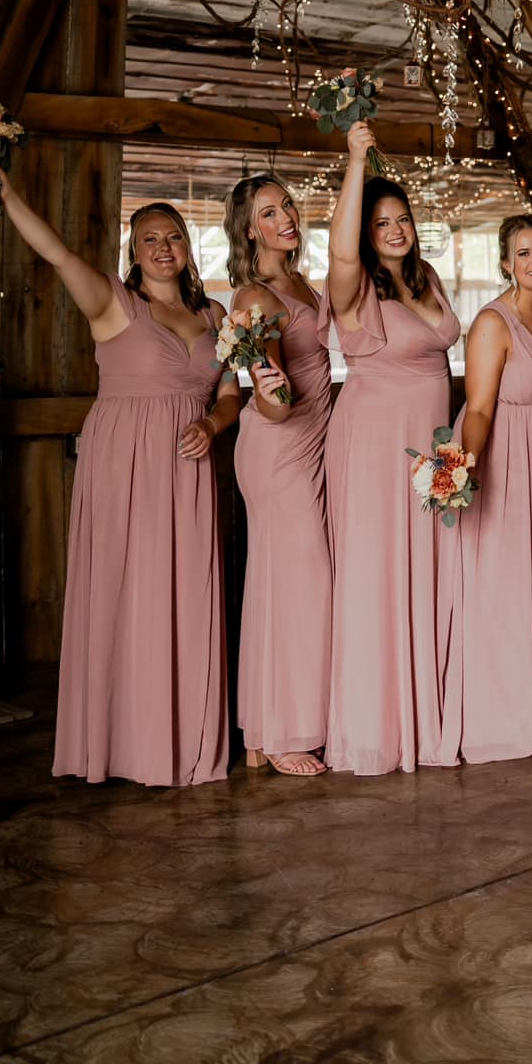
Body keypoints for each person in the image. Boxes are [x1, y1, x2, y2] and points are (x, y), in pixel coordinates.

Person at [0, 170, 237, 786]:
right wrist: (8, 193)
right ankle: (122, 740)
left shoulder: (216, 312)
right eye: (149, 239)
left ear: (187, 247)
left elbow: (230, 392)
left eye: (172, 236)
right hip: (125, 460)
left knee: (185, 591)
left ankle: (182, 737)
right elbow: (56, 251)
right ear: (133, 252)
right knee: (130, 588)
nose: (163, 247)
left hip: (190, 464)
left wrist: (213, 424)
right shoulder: (113, 303)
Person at [323, 121, 460, 775]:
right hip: (376, 445)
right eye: (382, 223)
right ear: (365, 235)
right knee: (380, 575)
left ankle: (424, 712)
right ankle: (378, 724)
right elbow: (342, 256)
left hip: (431, 443)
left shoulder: (426, 276)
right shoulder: (354, 291)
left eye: (402, 218)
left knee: (426, 569)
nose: (397, 230)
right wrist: (355, 161)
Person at [439, 215, 532, 764]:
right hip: (505, 455)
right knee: (502, 585)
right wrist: (464, 467)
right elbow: (482, 406)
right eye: (524, 253)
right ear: (505, 263)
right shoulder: (492, 323)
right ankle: (496, 717)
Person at [225, 175, 330, 778]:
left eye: (287, 204)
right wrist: (273, 395)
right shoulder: (255, 298)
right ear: (250, 229)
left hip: (312, 441)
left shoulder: (300, 283)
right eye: (270, 211)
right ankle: (283, 729)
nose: (287, 216)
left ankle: (263, 728)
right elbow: (270, 399)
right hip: (279, 445)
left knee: (285, 582)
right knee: (299, 581)